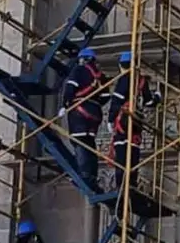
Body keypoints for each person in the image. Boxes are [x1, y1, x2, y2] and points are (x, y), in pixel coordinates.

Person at [108, 51, 162, 195]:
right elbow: (149, 102)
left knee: (121, 152)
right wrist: (157, 97)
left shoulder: (124, 78)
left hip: (124, 119)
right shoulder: (141, 80)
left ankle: (121, 185)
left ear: (121, 66)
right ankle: (132, 183)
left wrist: (110, 119)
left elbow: (117, 100)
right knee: (133, 152)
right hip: (137, 120)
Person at [58, 47, 110, 190]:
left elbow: (70, 88)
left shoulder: (79, 71)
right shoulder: (100, 76)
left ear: (83, 59)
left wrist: (65, 104)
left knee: (79, 141)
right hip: (95, 113)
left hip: (79, 111)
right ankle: (92, 173)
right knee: (89, 143)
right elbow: (106, 97)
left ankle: (84, 173)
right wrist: (95, 103)